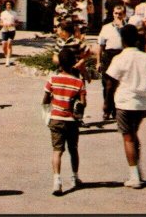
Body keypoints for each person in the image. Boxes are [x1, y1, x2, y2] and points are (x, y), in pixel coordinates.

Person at [105, 24, 146, 189]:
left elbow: (110, 83)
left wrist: (107, 103)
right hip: (141, 103)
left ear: (122, 39)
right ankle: (137, 171)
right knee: (133, 135)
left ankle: (134, 177)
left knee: (128, 138)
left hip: (125, 102)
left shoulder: (119, 58)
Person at [42, 47, 86, 196]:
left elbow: (45, 99)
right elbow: (83, 103)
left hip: (56, 119)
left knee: (57, 151)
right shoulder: (78, 82)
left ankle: (57, 181)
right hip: (71, 121)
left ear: (59, 63)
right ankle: (75, 177)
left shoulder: (53, 79)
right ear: (74, 63)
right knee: (73, 149)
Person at [96, 5, 125, 120]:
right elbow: (100, 45)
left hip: (121, 55)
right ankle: (107, 110)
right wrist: (98, 61)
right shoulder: (106, 27)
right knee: (107, 85)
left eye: (120, 13)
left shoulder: (127, 27)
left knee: (119, 85)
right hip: (108, 56)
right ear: (113, 14)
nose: (118, 15)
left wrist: (121, 27)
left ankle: (117, 110)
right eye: (116, 13)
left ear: (124, 15)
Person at [0, 0, 18, 67]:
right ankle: (6, 56)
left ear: (11, 5)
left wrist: (13, 24)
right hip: (4, 30)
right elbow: (0, 23)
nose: (8, 6)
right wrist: (4, 25)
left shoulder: (14, 13)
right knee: (4, 45)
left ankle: (7, 60)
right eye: (7, 4)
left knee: (9, 44)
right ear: (5, 5)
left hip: (12, 30)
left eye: (9, 4)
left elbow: (17, 22)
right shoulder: (3, 13)